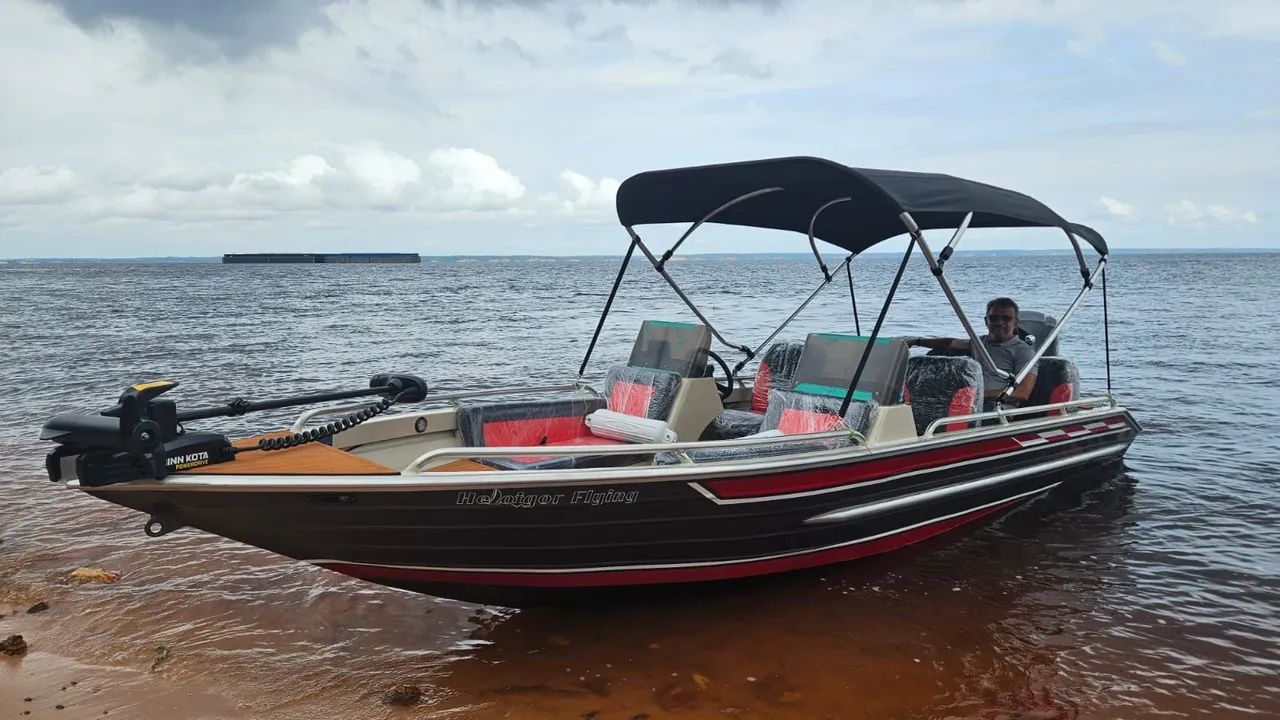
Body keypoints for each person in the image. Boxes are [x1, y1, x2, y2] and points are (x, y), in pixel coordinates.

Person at [907, 297, 1038, 409]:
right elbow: (950, 343)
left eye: (1006, 319)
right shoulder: (979, 343)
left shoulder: (1024, 352)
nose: (999, 323)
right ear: (986, 321)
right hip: (968, 401)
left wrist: (976, 394)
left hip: (997, 407)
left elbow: (1023, 393)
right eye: (994, 318)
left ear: (1015, 323)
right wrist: (916, 341)